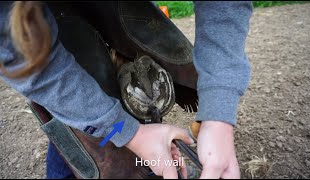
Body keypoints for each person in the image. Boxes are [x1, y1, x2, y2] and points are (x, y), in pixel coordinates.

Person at [0, 1, 252, 179]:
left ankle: (144, 158)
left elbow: (224, 6)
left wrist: (218, 116)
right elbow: (29, 62)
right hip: (35, 21)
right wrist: (127, 133)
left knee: (131, 99)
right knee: (86, 126)